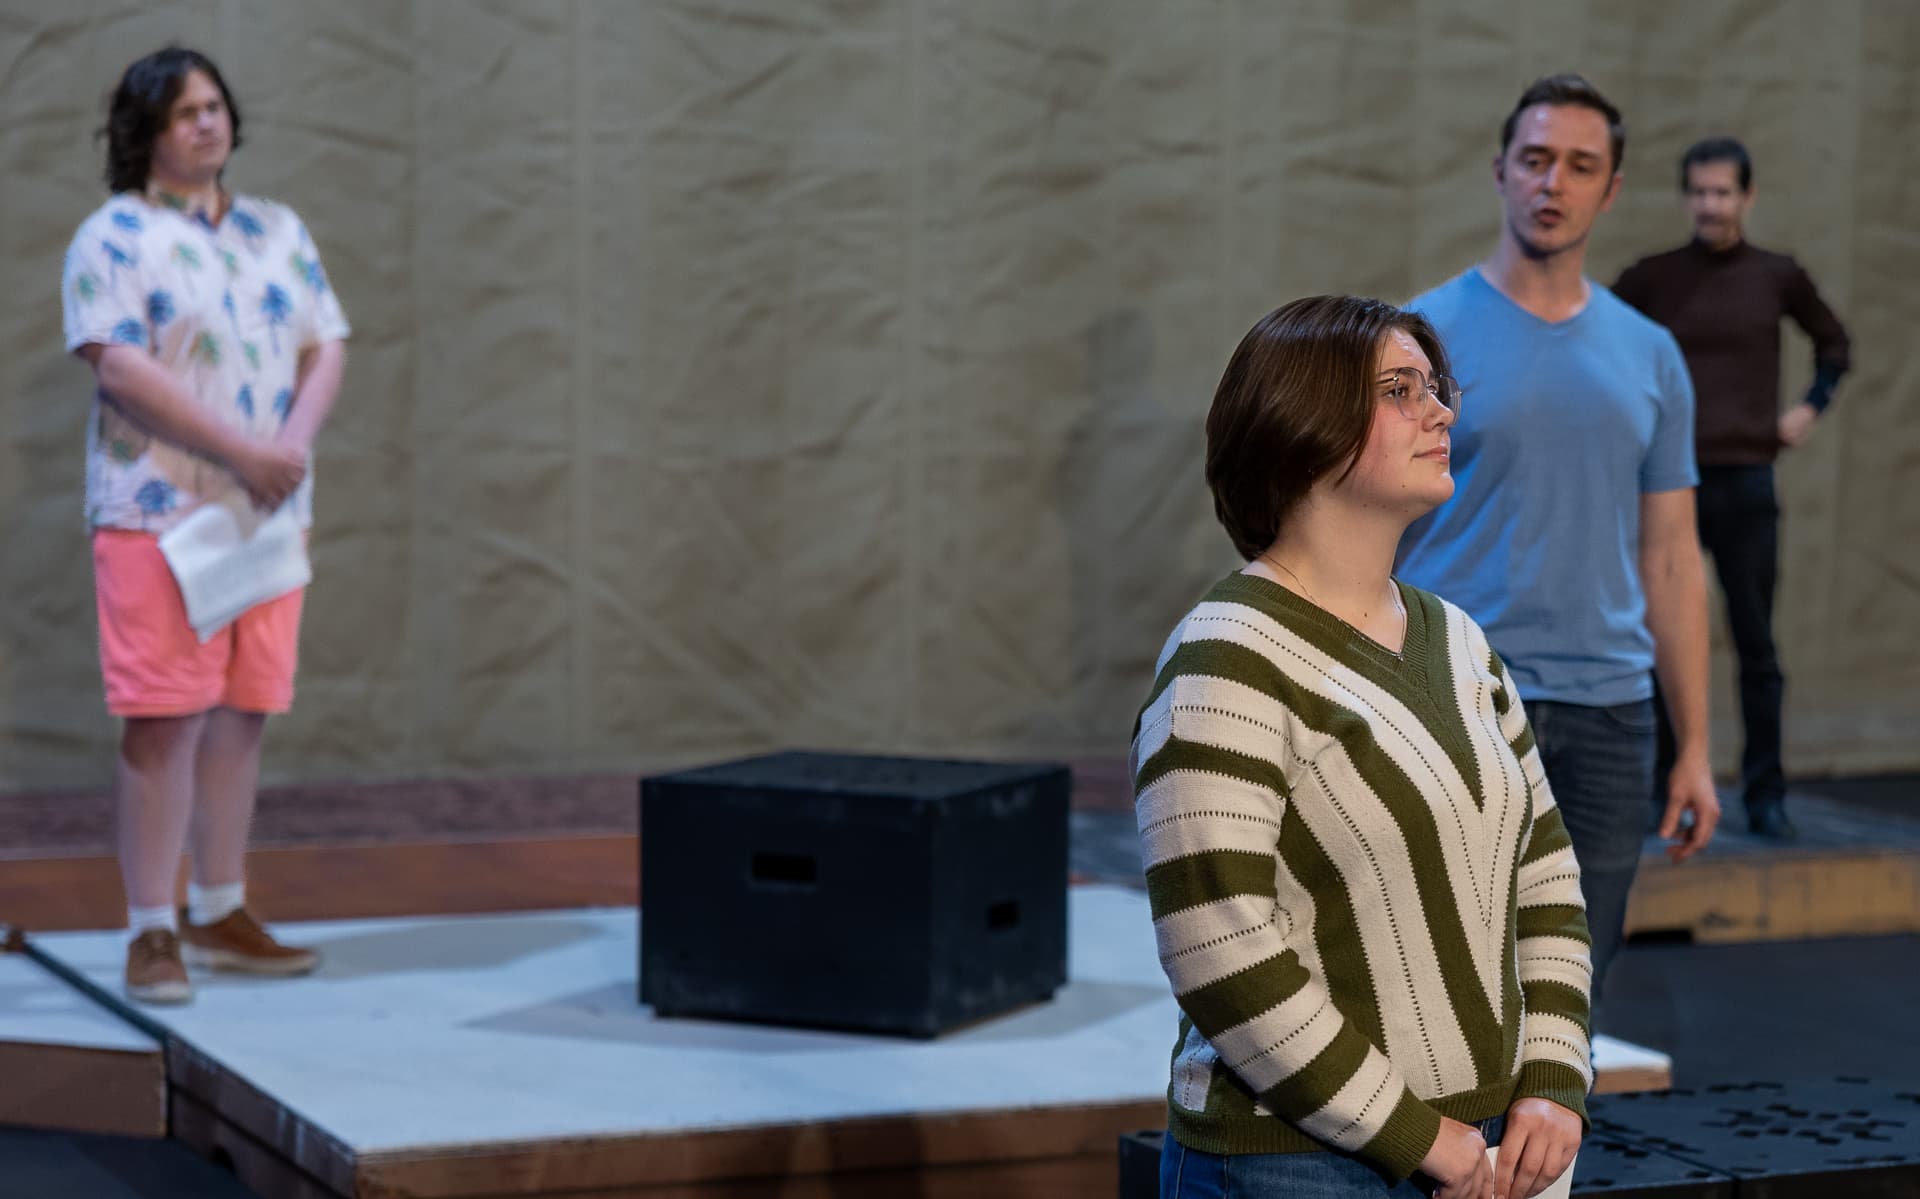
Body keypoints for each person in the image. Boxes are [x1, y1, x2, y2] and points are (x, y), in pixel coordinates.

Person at [1135, 295, 1591, 1199]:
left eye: (1437, 386)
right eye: (1399, 389)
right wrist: (1423, 1138)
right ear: (1302, 423)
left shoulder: (1459, 638)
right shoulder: (1226, 653)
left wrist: (1550, 1082)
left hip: (1493, 1151)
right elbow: (1221, 952)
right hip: (1293, 1165)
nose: (1442, 410)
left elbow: (1543, 873)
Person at [1395, 74, 1719, 1013]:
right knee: (1448, 981)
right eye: (1536, 160)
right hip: (1459, 697)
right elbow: (1366, 528)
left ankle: (1546, 1165)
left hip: (1614, 716)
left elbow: (1670, 555)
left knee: (1578, 989)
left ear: (1610, 189)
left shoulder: (1650, 353)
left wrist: (1694, 744)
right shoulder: (1420, 339)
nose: (1554, 183)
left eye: (1581, 166)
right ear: (1501, 171)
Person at [61, 47, 349, 1003]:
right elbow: (120, 368)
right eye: (184, 112)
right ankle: (151, 925)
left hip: (265, 513)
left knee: (243, 713)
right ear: (145, 131)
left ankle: (220, 905)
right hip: (160, 515)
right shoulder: (113, 236)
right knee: (165, 720)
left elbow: (324, 343)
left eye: (216, 105)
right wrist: (241, 451)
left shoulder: (278, 229)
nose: (207, 124)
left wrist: (288, 451)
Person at [1612, 136, 1851, 841]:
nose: (1710, 205)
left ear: (1747, 197)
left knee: (1754, 642)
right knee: (1656, 636)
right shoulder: (1654, 278)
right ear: (1685, 196)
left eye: (1723, 192)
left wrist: (1809, 406)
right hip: (1668, 481)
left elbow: (1835, 343)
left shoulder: (1777, 275)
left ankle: (1765, 794)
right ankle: (1663, 784)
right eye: (1699, 192)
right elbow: (1597, 342)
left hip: (1747, 479)